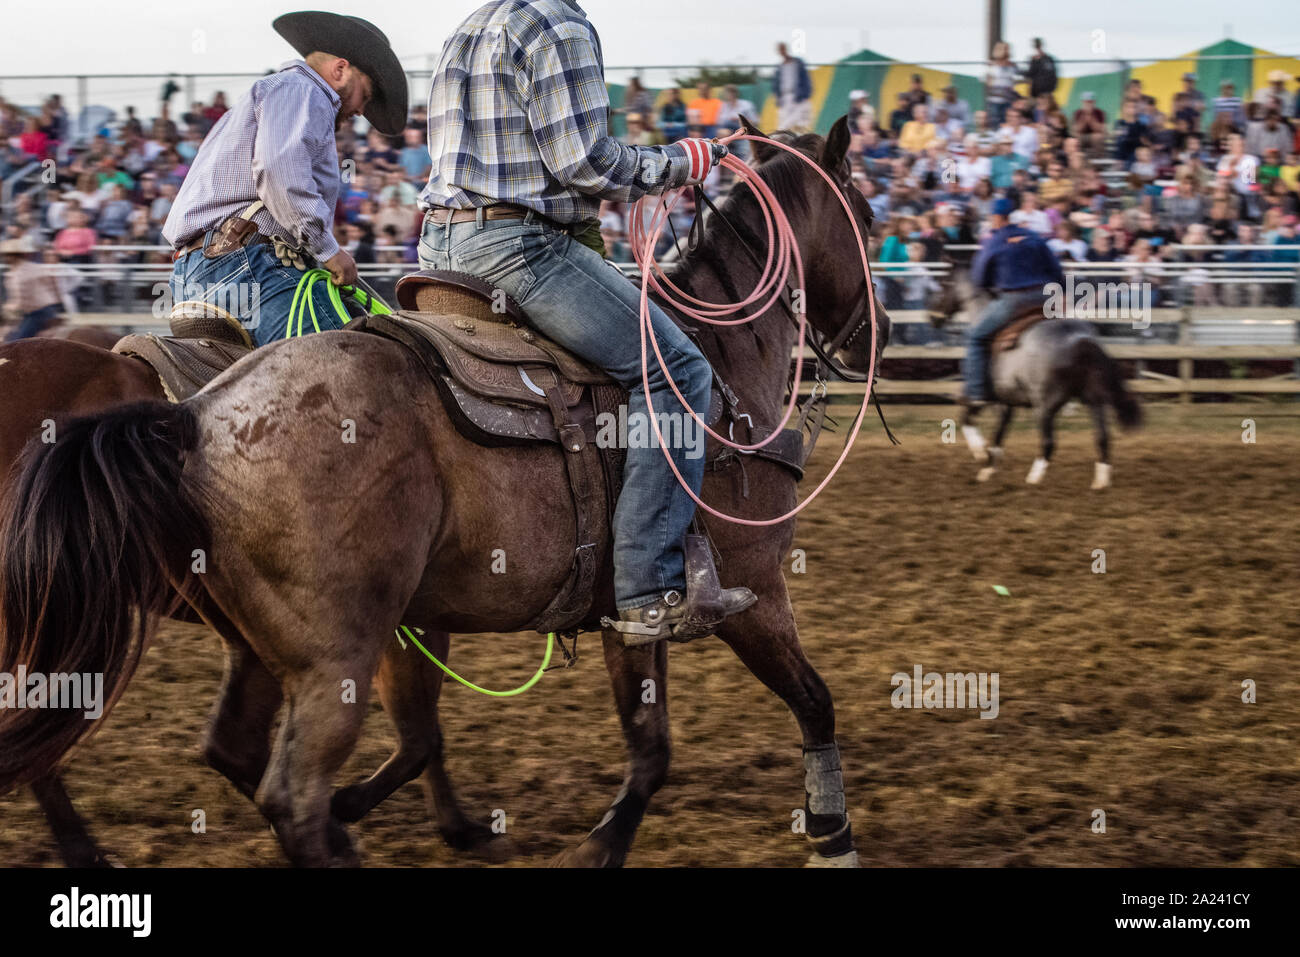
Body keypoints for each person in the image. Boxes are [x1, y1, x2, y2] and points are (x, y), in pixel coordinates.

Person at [417, 0, 754, 642]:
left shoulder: (471, 25)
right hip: (520, 249)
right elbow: (585, 163)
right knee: (675, 369)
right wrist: (686, 162)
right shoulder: (558, 25)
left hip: (440, 248)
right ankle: (647, 584)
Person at [163, 11, 407, 345]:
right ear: (340, 70)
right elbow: (280, 172)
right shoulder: (305, 90)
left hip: (199, 271)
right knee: (354, 357)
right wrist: (329, 251)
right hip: (247, 265)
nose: (361, 111)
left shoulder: (271, 94)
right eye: (364, 95)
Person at [962, 197, 1065, 404]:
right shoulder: (1033, 236)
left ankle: (976, 393)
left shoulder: (994, 241)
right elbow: (1056, 271)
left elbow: (979, 278)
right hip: (1045, 298)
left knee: (976, 337)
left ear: (997, 218)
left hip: (1015, 300)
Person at [1, 238, 62, 340]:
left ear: (13, 256)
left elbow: (21, 301)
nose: (5, 258)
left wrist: (7, 308)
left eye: (8, 255)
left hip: (37, 313)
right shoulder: (33, 268)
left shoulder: (19, 274)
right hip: (43, 310)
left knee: (15, 342)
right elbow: (53, 286)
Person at [773, 41, 813, 131]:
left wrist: (805, 94)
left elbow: (805, 79)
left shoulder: (798, 62)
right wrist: (778, 97)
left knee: (800, 123)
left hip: (797, 96)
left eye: (782, 49)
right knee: (784, 123)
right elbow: (776, 84)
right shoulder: (780, 66)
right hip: (784, 97)